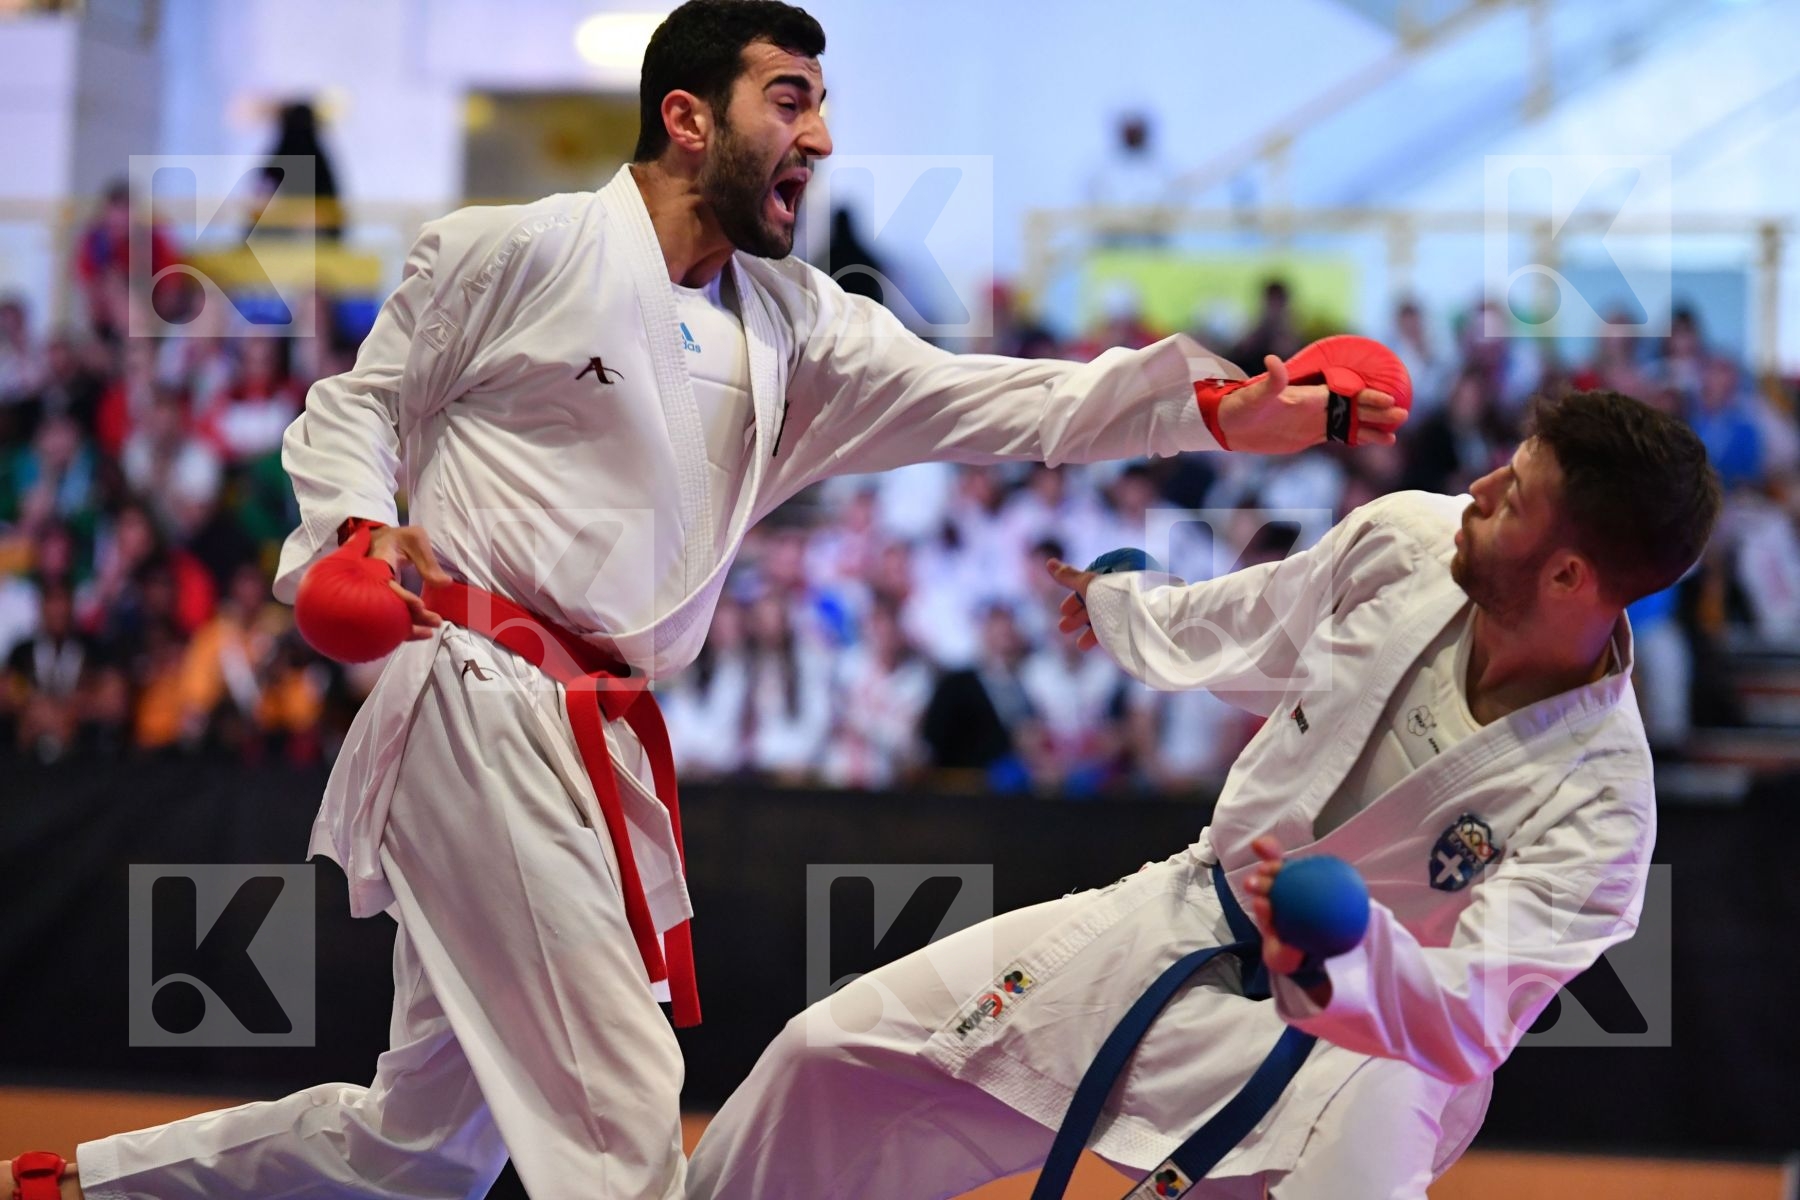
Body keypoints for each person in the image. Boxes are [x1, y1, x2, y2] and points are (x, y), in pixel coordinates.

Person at [2, 3, 1403, 1198]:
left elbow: (1014, 401)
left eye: (825, 102)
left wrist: (1221, 411)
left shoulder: (799, 327)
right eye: (790, 99)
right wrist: (348, 542)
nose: (824, 138)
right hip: (482, 696)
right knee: (620, 1119)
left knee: (422, 1149)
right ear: (687, 117)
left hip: (593, 731)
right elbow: (353, 409)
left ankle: (81, 1183)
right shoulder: (518, 250)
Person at [687, 390, 1720, 1199]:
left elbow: (1469, 1015)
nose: (1482, 487)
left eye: (1517, 495)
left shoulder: (1603, 803)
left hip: (1366, 1052)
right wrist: (1129, 609)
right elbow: (1262, 622)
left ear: (1572, 578)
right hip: (1187, 917)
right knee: (830, 1057)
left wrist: (1348, 949)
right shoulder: (1411, 541)